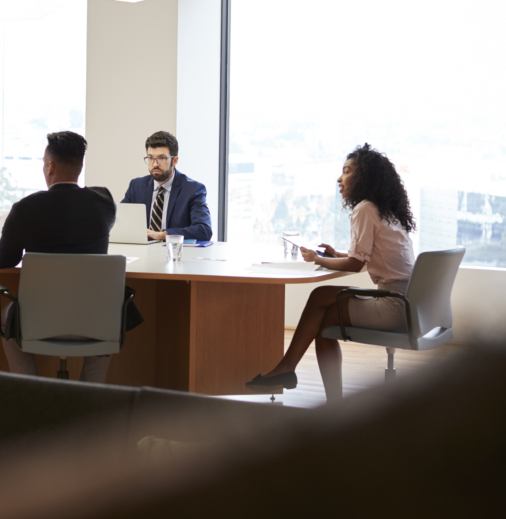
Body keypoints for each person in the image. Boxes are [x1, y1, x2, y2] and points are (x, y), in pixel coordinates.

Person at [247, 143, 416, 402]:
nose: (340, 178)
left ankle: (291, 371)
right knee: (324, 313)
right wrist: (336, 255)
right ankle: (293, 374)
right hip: (408, 303)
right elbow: (365, 256)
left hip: (394, 306)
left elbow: (355, 265)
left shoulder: (364, 209)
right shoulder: (385, 210)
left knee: (322, 305)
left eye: (346, 171)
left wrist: (318, 259)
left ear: (363, 177)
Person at [0, 131, 140, 384]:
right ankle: (89, 395)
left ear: (50, 166)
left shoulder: (25, 209)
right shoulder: (104, 203)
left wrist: (7, 240)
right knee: (109, 311)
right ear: (80, 166)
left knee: (8, 317)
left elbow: (3, 260)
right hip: (95, 318)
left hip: (38, 319)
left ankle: (30, 391)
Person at [121, 131, 212, 242]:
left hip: (174, 254)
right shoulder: (136, 186)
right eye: (150, 158)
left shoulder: (193, 189)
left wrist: (163, 235)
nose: (155, 164)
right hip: (142, 253)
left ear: (174, 161)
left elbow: (204, 230)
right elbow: (119, 221)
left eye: (162, 158)